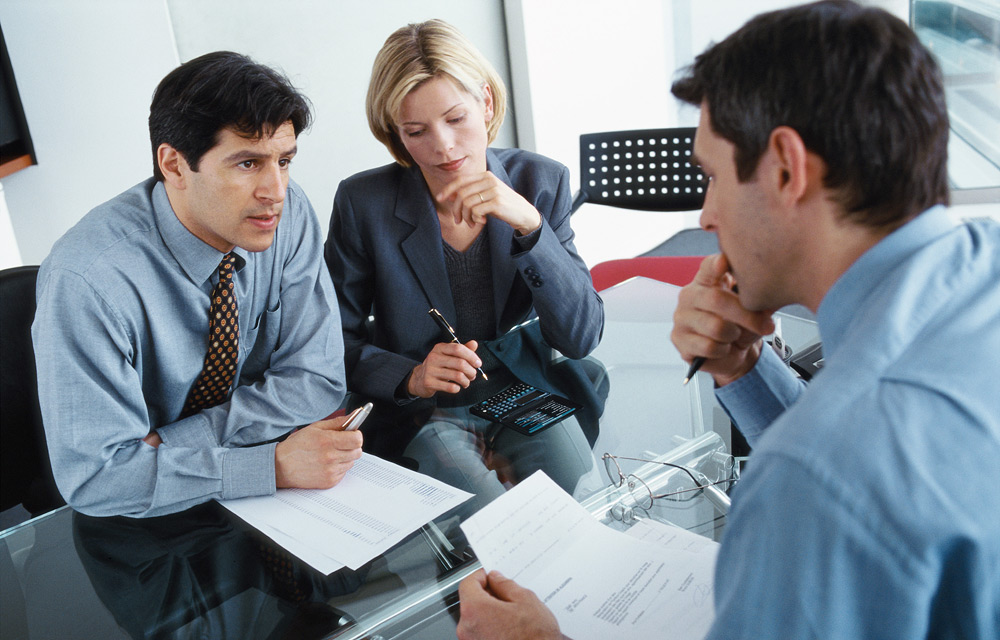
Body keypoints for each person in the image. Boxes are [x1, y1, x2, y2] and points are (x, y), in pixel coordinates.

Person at [456, 2, 1000, 638]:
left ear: (788, 167)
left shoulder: (817, 474)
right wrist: (745, 370)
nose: (706, 215)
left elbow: (836, 468)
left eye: (713, 177)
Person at [32, 51, 363, 518]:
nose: (275, 190)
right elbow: (99, 478)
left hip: (254, 504)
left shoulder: (287, 215)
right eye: (247, 164)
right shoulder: (88, 281)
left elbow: (317, 380)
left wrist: (177, 443)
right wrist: (269, 466)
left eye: (284, 161)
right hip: (137, 527)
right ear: (174, 165)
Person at [324, 20, 604, 509]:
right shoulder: (362, 202)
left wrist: (531, 228)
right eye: (416, 131)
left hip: (521, 389)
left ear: (486, 103)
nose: (444, 147)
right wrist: (410, 376)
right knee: (484, 523)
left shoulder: (540, 182)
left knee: (579, 503)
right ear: (396, 135)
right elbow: (328, 343)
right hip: (422, 410)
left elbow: (580, 336)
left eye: (456, 118)